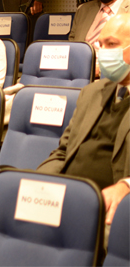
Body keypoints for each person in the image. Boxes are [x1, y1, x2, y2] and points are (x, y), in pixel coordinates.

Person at [38, 13, 130, 227]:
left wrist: (126, 186)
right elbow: (63, 151)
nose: (104, 53)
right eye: (101, 45)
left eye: (112, 44)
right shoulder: (91, 92)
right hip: (65, 197)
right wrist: (39, 183)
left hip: (109, 208)